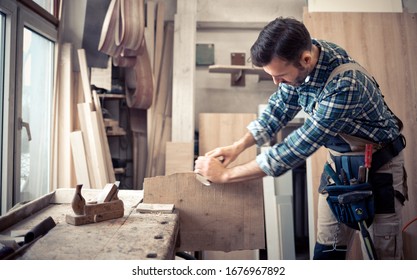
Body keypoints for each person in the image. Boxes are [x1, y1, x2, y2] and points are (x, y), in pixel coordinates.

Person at [194, 17, 407, 260]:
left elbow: (298, 146)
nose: (276, 82)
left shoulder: (346, 85)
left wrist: (226, 175)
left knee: (382, 256)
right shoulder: (306, 59)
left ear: (306, 59)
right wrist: (237, 147)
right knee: (327, 251)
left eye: (281, 75)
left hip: (379, 167)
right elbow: (278, 109)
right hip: (340, 166)